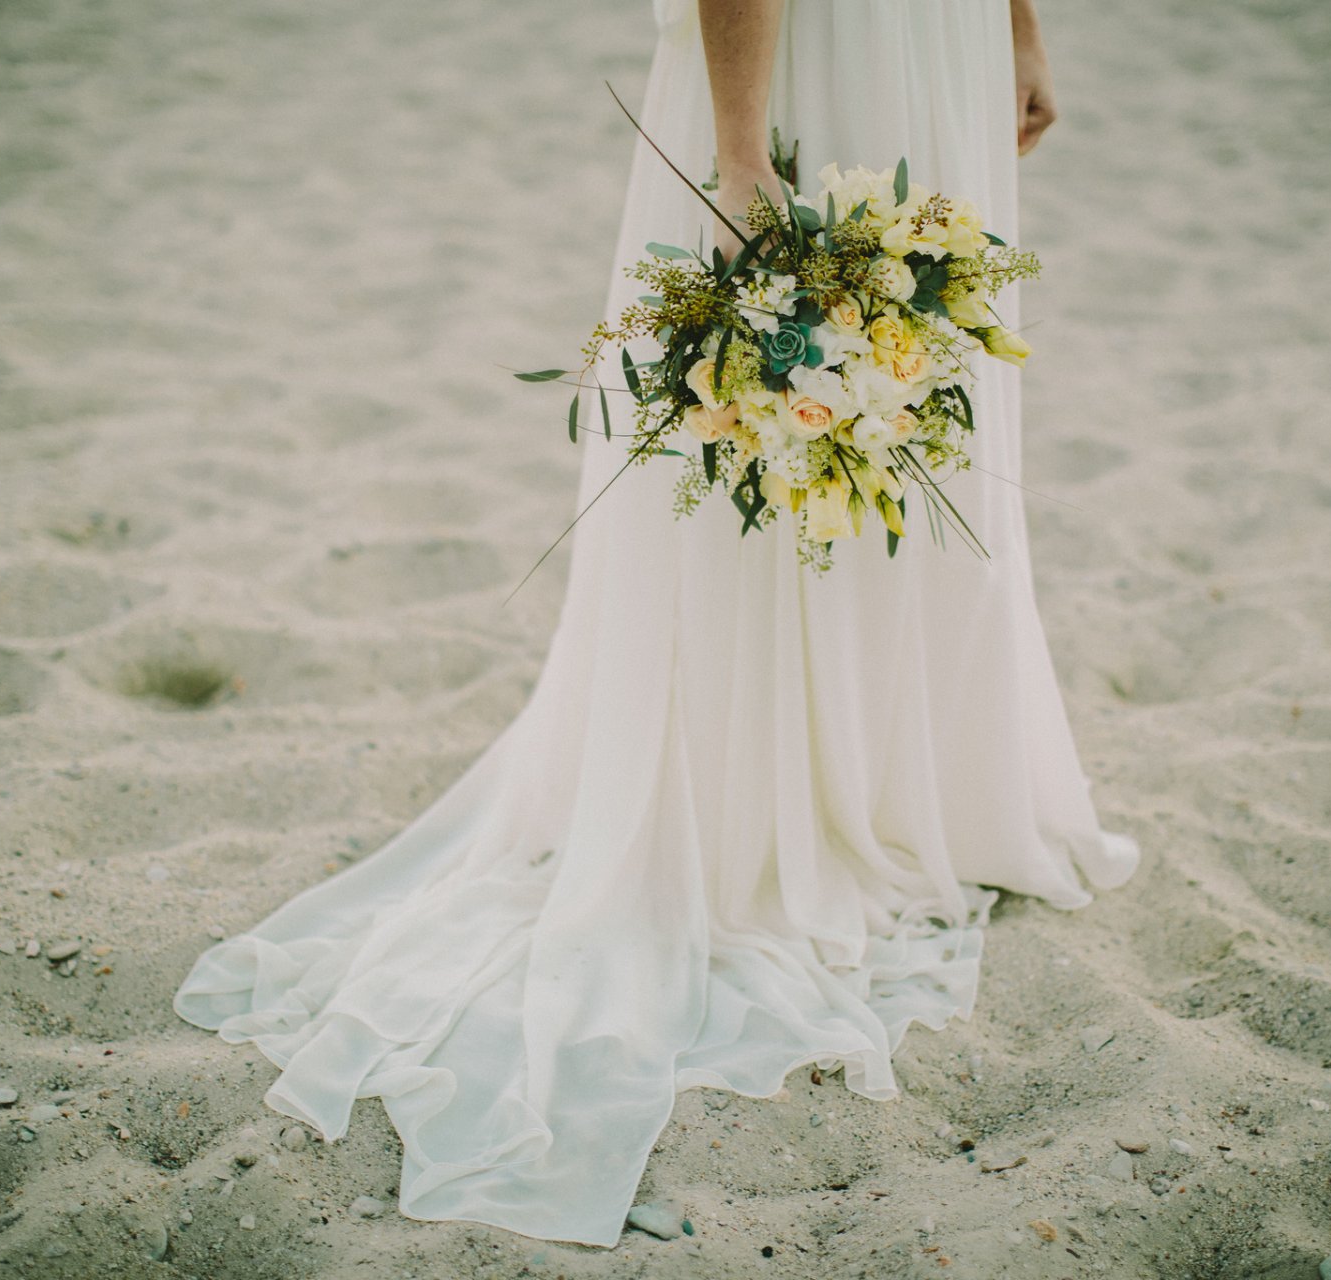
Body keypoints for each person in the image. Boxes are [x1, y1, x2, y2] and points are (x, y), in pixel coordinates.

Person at [174, 0, 1140, 1249]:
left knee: (911, 399)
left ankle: (903, 780)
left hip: (935, 45)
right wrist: (743, 152)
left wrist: (1016, 25)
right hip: (824, 55)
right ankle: (771, 799)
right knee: (785, 417)